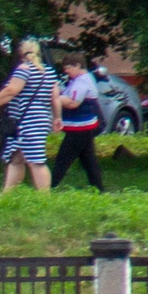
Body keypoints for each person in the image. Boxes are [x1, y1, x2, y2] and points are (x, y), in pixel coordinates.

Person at [0, 39, 57, 191]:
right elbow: (55, 96)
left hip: (27, 121)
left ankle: (45, 198)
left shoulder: (24, 70)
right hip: (40, 119)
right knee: (16, 158)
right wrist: (58, 117)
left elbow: (11, 91)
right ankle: (7, 194)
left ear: (21, 53)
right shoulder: (48, 72)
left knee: (36, 160)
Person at [50, 56, 107, 192]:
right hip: (83, 126)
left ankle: (49, 187)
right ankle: (98, 189)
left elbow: (73, 102)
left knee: (63, 158)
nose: (66, 72)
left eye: (68, 69)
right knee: (88, 160)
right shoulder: (78, 80)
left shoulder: (82, 82)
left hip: (80, 127)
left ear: (77, 65)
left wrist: (54, 98)